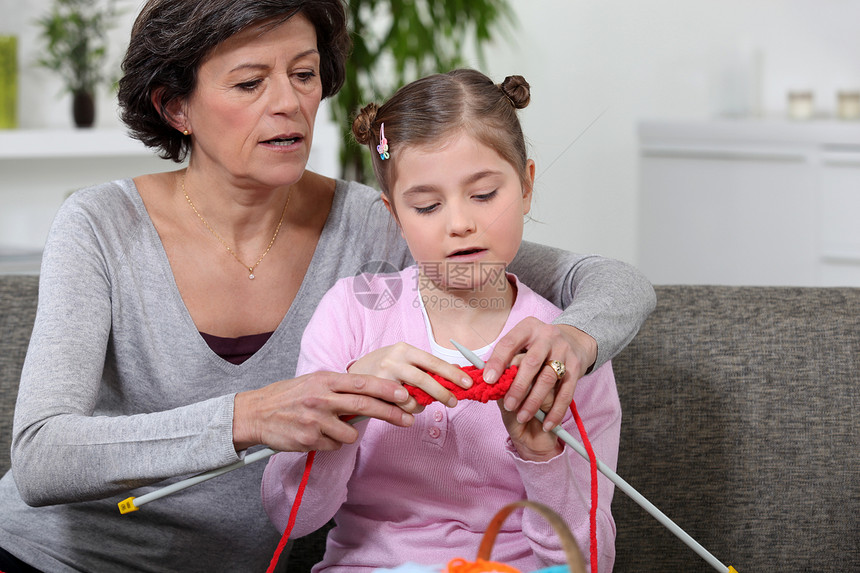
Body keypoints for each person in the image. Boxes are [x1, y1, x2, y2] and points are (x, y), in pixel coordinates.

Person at [0, 1, 653, 572]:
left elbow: (604, 280)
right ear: (176, 107)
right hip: (48, 554)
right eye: (251, 82)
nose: (288, 102)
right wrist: (251, 415)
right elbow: (40, 456)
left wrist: (573, 341)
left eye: (304, 74)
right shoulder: (100, 225)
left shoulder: (379, 221)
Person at [261, 69, 620, 573]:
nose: (459, 223)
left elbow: (591, 563)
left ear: (526, 186)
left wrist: (541, 457)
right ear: (394, 216)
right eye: (427, 205)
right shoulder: (350, 314)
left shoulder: (563, 350)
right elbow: (291, 519)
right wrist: (348, 408)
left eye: (484, 195)